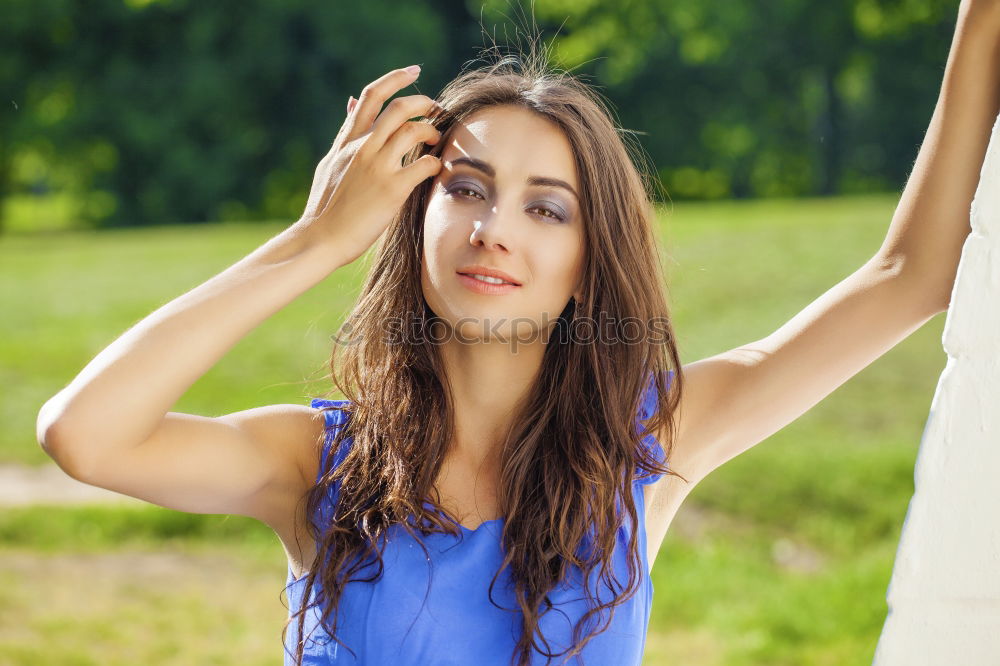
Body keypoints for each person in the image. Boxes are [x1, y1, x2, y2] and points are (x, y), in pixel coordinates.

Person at [35, 0, 1000, 662]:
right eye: (466, 189)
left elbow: (910, 275)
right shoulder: (322, 465)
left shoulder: (649, 444)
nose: (494, 227)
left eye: (548, 209)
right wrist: (316, 239)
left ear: (591, 261)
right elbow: (86, 434)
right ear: (413, 214)